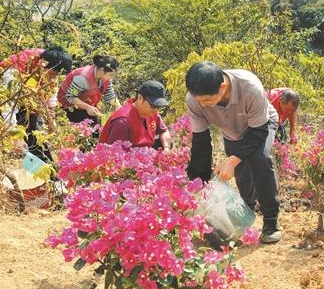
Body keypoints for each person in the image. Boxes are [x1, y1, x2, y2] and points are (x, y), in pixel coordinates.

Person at [185, 61, 283, 243]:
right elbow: (201, 142)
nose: (202, 105)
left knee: (260, 159)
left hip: (261, 125)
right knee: (243, 176)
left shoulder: (249, 87)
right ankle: (245, 215)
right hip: (232, 131)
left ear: (222, 87)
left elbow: (259, 130)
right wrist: (201, 183)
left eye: (207, 100)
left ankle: (271, 221)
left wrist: (232, 159)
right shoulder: (195, 99)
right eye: (199, 100)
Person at [0, 45, 73, 163]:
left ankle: (47, 174)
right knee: (30, 130)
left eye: (56, 76)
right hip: (6, 99)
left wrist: (51, 121)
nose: (53, 78)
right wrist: (16, 137)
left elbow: (51, 92)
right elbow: (7, 106)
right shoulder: (15, 70)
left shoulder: (52, 64)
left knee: (35, 132)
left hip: (28, 98)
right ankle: (46, 174)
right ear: (43, 64)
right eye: (52, 74)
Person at [99, 80, 173, 150]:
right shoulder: (122, 122)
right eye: (153, 106)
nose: (156, 110)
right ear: (140, 98)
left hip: (143, 153)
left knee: (168, 138)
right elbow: (115, 154)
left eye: (159, 106)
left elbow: (164, 131)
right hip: (126, 158)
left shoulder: (152, 112)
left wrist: (166, 148)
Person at [58, 55, 120, 126]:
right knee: (81, 132)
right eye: (111, 75)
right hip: (70, 106)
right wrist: (87, 107)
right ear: (102, 70)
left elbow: (110, 95)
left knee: (96, 130)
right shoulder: (82, 78)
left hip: (88, 104)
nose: (112, 77)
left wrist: (121, 111)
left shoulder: (105, 78)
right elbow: (70, 97)